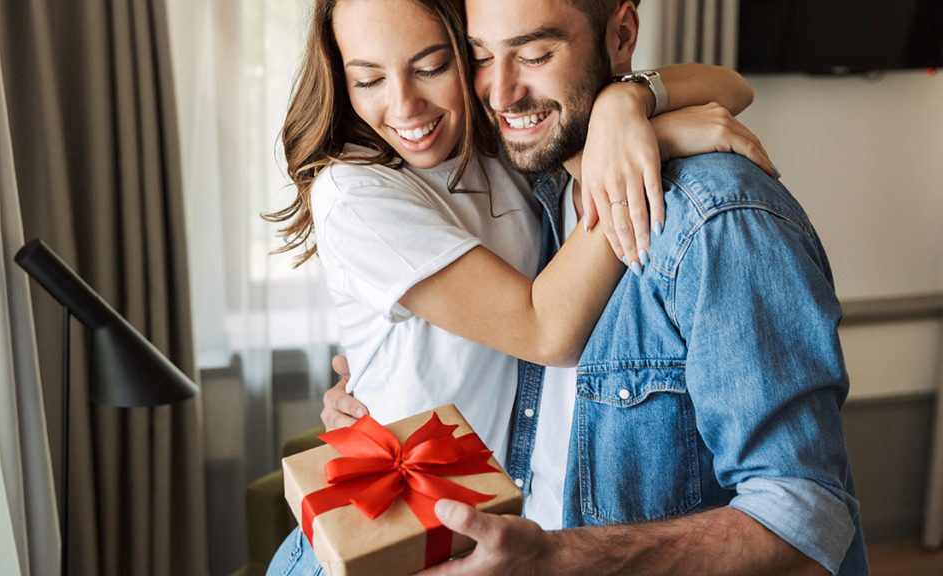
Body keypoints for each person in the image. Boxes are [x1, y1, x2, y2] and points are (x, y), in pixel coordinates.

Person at [323, 0, 871, 575]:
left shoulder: (714, 219)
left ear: (623, 34)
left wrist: (627, 100)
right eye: (481, 57)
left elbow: (806, 523)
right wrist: (374, 393)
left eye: (535, 54)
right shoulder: (532, 163)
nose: (503, 94)